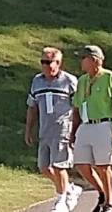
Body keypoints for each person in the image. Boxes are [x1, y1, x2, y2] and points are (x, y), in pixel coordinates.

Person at [70, 45, 112, 212]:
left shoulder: (110, 77)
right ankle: (103, 191)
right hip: (86, 125)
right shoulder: (82, 80)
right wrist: (73, 131)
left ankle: (109, 203)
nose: (81, 62)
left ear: (94, 60)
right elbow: (76, 108)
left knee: (103, 165)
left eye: (83, 58)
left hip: (103, 124)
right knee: (81, 164)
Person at [25, 46, 82, 212]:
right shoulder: (37, 81)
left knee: (59, 166)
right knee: (44, 167)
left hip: (63, 129)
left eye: (49, 62)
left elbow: (78, 107)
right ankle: (70, 189)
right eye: (43, 62)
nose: (46, 66)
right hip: (45, 130)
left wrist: (76, 130)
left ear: (59, 63)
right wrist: (29, 129)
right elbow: (32, 106)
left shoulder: (69, 81)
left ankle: (61, 201)